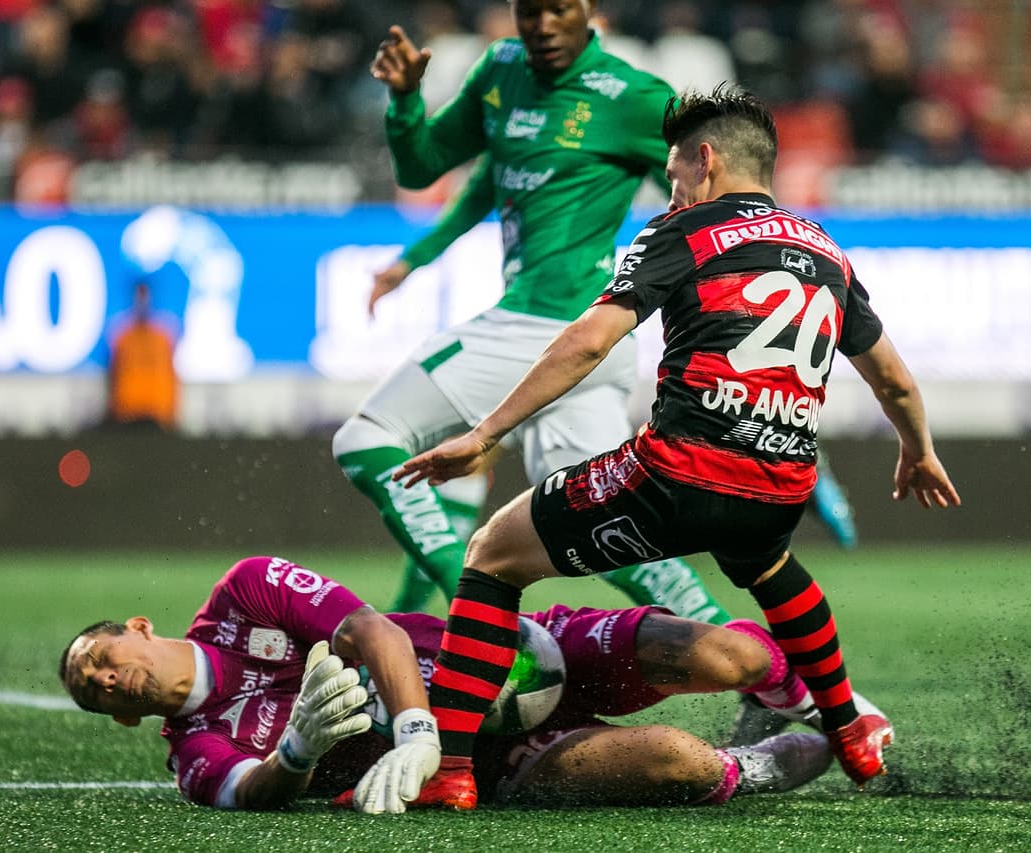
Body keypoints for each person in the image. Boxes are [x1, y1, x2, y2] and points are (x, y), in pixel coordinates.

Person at [384, 85, 961, 810]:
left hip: (677, 476)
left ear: (706, 160)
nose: (673, 186)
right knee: (770, 565)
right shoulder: (826, 252)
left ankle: (451, 771)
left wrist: (486, 431)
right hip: (779, 488)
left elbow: (591, 338)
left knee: (493, 555)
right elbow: (895, 382)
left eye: (675, 172)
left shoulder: (681, 231)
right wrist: (919, 450)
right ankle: (847, 726)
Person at [334, 0, 734, 628]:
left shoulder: (633, 95)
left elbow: (720, 184)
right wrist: (406, 99)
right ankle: (764, 674)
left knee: (364, 438)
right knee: (606, 529)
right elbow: (424, 168)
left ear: (589, 10)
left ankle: (482, 624)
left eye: (558, 10)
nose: (542, 26)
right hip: (586, 344)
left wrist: (719, 283)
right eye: (529, 11)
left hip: (546, 326)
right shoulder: (502, 68)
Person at [59, 555, 839, 812]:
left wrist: (419, 734)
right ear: (119, 718)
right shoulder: (197, 753)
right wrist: (296, 750)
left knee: (722, 655)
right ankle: (752, 764)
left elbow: (375, 631)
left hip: (509, 654)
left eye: (96, 657)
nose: (102, 678)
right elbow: (251, 790)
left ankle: (791, 694)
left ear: (138, 626)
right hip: (502, 758)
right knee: (680, 759)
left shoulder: (246, 590)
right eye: (91, 691)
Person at [106, 281, 179, 429]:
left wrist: (171, 410)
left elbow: (171, 374)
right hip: (128, 409)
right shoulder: (122, 334)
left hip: (157, 409)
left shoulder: (163, 335)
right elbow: (113, 373)